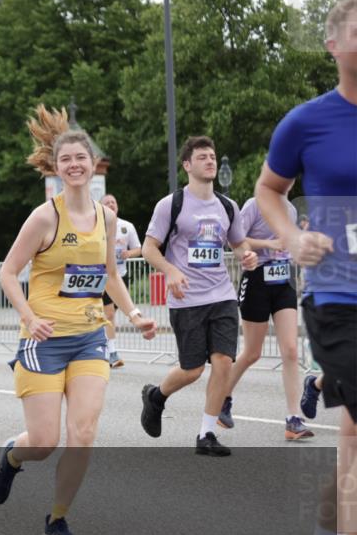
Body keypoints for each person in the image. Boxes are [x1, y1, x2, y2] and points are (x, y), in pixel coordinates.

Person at [0, 113, 156, 535]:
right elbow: (8, 272)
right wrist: (29, 317)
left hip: (89, 338)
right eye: (66, 159)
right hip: (43, 342)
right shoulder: (44, 217)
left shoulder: (107, 219)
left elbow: (111, 276)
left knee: (82, 435)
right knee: (44, 442)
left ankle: (57, 519)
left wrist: (135, 314)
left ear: (94, 163)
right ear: (56, 167)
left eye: (82, 157)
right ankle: (12, 456)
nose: (75, 164)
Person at [253, 0, 357, 535]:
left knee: (353, 446)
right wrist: (292, 238)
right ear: (333, 45)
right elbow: (270, 189)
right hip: (338, 296)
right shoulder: (307, 122)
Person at [139, 135, 257, 456]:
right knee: (192, 370)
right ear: (187, 165)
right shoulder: (171, 205)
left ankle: (206, 435)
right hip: (187, 299)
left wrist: (247, 255)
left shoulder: (227, 206)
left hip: (222, 296)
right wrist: (170, 271)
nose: (210, 161)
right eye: (202, 157)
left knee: (223, 363)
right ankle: (156, 396)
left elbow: (239, 243)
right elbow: (149, 248)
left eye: (212, 157)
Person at [219, 196, 312, 440]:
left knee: (291, 350)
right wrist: (269, 244)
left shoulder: (290, 209)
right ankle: (221, 397)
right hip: (257, 280)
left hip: (283, 281)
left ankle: (293, 419)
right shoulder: (255, 205)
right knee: (252, 353)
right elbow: (236, 239)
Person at [98, 194, 142, 368]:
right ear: (101, 207)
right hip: (101, 276)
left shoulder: (126, 226)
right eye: (107, 203)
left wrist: (128, 253)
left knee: (106, 315)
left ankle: (101, 347)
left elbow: (139, 248)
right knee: (108, 314)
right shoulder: (96, 225)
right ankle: (112, 352)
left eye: (113, 202)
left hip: (120, 277)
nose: (111, 204)